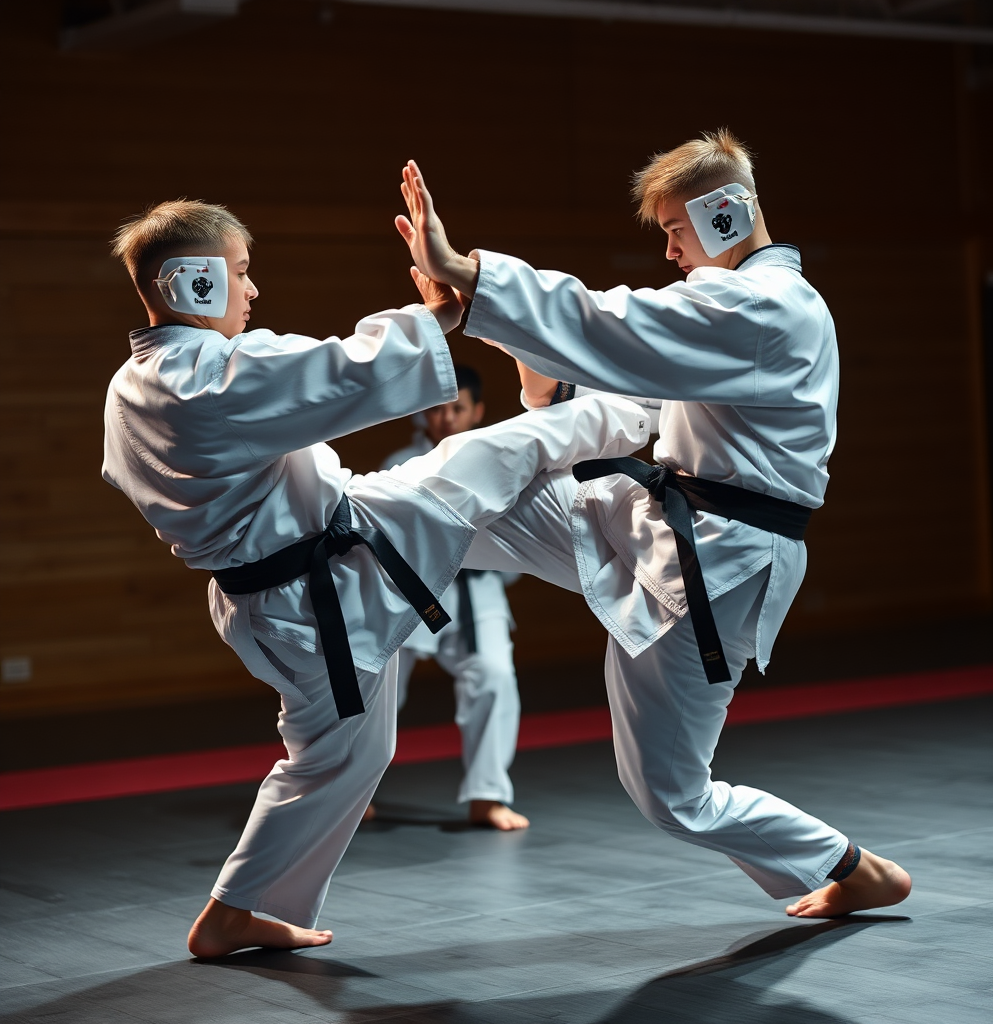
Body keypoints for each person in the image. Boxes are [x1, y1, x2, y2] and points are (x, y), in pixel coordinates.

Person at [102, 199, 650, 957]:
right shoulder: (198, 384)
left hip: (326, 553)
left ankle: (236, 910)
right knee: (492, 462)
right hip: (311, 588)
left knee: (349, 752)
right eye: (239, 274)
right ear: (192, 283)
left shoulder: (140, 385)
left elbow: (299, 373)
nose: (251, 291)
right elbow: (330, 372)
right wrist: (434, 321)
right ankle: (647, 416)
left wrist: (427, 325)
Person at [395, 130, 912, 919]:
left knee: (672, 795)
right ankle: (351, 513)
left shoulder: (764, 306)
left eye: (675, 231)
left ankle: (848, 864)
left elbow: (618, 329)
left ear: (725, 215)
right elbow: (635, 400)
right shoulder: (734, 311)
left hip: (720, 560)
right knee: (461, 502)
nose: (671, 253)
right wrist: (513, 346)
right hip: (651, 521)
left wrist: (471, 276)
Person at [373, 364, 528, 830]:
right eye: (438, 408)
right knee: (380, 689)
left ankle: (487, 796)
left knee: (495, 677)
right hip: (413, 595)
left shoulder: (501, 464)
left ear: (477, 411)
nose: (446, 418)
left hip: (478, 593)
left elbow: (520, 540)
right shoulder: (400, 465)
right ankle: (352, 792)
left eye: (457, 408)